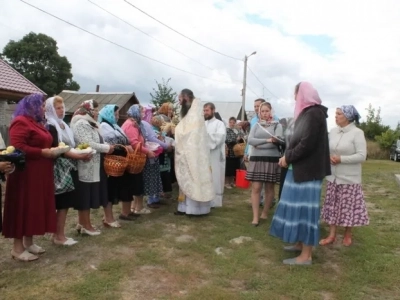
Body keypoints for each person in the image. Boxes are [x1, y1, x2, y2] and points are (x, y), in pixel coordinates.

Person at [269, 82, 331, 265]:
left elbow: (306, 144)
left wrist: (288, 157)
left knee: (305, 211)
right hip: (300, 169)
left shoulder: (314, 114)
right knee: (296, 208)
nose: (294, 97)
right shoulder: (307, 113)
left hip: (308, 172)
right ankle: (299, 243)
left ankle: (306, 256)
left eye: (295, 94)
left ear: (302, 94)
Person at [3, 94, 58, 261]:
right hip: (25, 173)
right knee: (23, 206)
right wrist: (41, 152)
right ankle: (17, 248)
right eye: (40, 106)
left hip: (40, 172)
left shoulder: (37, 122)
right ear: (31, 106)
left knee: (34, 207)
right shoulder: (21, 121)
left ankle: (29, 242)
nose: (43, 108)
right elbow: (17, 147)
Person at [46, 96, 92, 245]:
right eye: (57, 108)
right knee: (62, 202)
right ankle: (58, 236)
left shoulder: (63, 125)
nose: (61, 110)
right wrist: (78, 156)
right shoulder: (50, 126)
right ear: (50, 110)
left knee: (65, 203)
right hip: (59, 168)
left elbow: (70, 145)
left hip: (69, 165)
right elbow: (59, 148)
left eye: (62, 107)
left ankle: (60, 234)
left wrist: (81, 152)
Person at [320, 105, 369, 247]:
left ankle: (348, 233)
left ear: (347, 117)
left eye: (339, 114)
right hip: (333, 177)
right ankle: (332, 235)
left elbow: (362, 156)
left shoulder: (357, 133)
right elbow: (326, 148)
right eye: (336, 113)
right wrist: (328, 157)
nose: (335, 116)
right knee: (333, 206)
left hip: (349, 178)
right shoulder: (333, 132)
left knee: (348, 207)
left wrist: (341, 159)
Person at [71, 100, 116, 235]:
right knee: (85, 195)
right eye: (95, 110)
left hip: (94, 163)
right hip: (86, 163)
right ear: (88, 110)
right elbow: (87, 143)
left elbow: (97, 141)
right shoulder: (81, 123)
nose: (97, 113)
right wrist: (107, 148)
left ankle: (82, 223)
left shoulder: (90, 123)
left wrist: (106, 145)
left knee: (89, 193)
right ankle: (86, 225)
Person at [175, 89, 215, 216]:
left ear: (186, 98)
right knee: (188, 179)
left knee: (194, 178)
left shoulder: (195, 113)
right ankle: (184, 207)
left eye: (180, 99)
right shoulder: (191, 112)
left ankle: (194, 209)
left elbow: (188, 133)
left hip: (194, 154)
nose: (179, 102)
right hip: (189, 152)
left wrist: (176, 129)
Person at [98, 104, 138, 222]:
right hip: (113, 161)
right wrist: (125, 146)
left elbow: (125, 139)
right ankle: (108, 217)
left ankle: (126, 212)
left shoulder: (115, 126)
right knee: (112, 189)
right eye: (115, 114)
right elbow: (110, 143)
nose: (117, 116)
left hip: (122, 160)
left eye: (118, 114)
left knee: (126, 186)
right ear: (108, 114)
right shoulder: (104, 126)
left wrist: (127, 146)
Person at [246, 102, 283, 226]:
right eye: (262, 111)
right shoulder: (256, 125)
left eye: (267, 111)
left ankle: (265, 212)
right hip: (257, 158)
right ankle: (255, 217)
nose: (265, 113)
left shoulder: (277, 125)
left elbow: (277, 140)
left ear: (271, 111)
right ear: (259, 113)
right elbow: (250, 140)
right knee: (256, 187)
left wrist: (259, 144)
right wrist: (267, 140)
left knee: (269, 187)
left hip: (271, 159)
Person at [121, 104, 154, 215]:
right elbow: (134, 143)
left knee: (136, 183)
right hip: (134, 158)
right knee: (137, 183)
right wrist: (147, 151)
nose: (143, 114)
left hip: (136, 157)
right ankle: (137, 208)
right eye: (141, 112)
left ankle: (135, 207)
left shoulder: (134, 123)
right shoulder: (131, 124)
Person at [204, 102, 226, 208]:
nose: (205, 113)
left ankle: (214, 201)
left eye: (207, 110)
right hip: (204, 156)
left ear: (213, 110)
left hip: (215, 155)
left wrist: (205, 136)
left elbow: (220, 138)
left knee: (215, 176)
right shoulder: (203, 124)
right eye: (204, 111)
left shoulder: (219, 124)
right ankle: (204, 198)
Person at [225, 117, 241, 188]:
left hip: (236, 153)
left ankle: (232, 182)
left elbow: (242, 136)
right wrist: (235, 139)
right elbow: (227, 140)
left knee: (234, 168)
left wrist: (239, 138)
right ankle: (226, 183)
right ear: (229, 122)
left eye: (233, 123)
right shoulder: (226, 130)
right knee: (228, 168)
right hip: (229, 151)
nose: (232, 124)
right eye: (230, 122)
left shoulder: (236, 130)